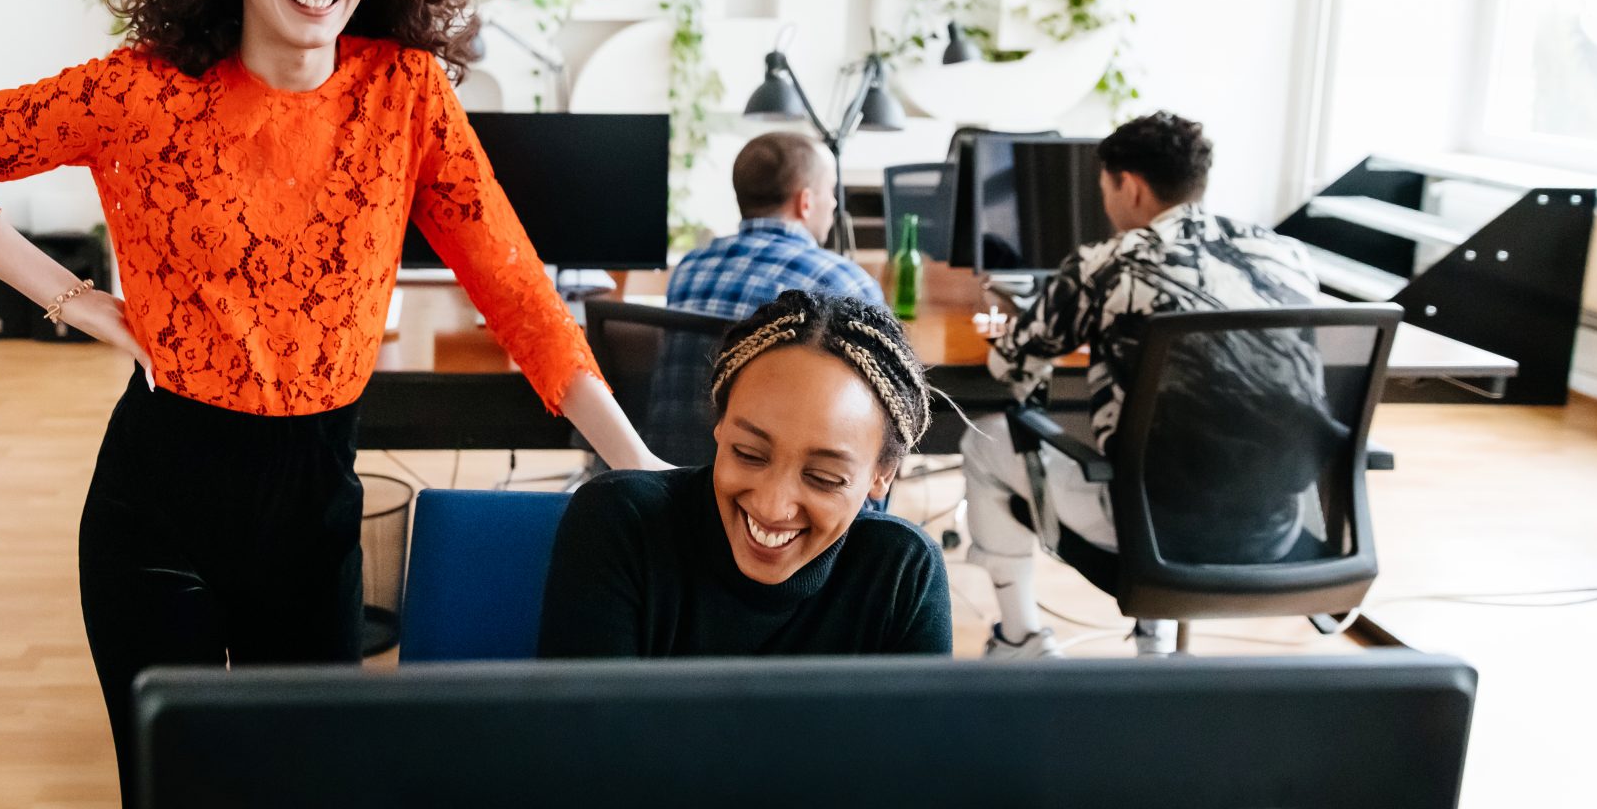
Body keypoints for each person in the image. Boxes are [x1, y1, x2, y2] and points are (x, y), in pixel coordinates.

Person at [0, 0, 665, 804]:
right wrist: (75, 300)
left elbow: (514, 289)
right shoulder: (143, 92)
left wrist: (636, 464)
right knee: (175, 789)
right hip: (158, 511)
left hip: (317, 516)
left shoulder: (406, 93)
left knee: (312, 784)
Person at [961, 112, 1320, 659]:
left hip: (1148, 529)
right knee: (1174, 440)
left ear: (1128, 184)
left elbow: (1010, 368)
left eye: (1105, 188)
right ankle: (1154, 638)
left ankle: (1020, 640)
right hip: (1276, 525)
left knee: (984, 440)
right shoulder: (1286, 256)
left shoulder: (1111, 264)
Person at [539, 290, 952, 657]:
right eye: (749, 454)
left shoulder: (901, 574)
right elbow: (583, 739)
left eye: (824, 477)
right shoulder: (621, 524)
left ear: (882, 474)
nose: (773, 506)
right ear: (721, 424)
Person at [667, 132, 884, 320]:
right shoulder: (845, 284)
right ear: (805, 203)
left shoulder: (689, 268)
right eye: (831, 190)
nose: (834, 202)